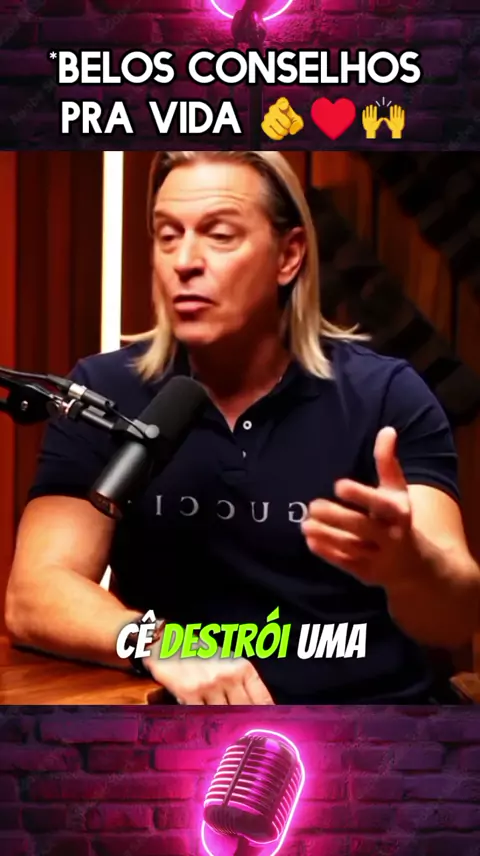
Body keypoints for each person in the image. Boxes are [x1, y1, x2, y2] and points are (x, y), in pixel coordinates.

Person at [5, 150, 480, 705]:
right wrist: (160, 642)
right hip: (189, 731)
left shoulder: (386, 395)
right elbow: (35, 593)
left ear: (289, 255)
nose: (185, 261)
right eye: (167, 235)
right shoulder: (103, 392)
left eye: (220, 235)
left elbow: (454, 616)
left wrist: (412, 567)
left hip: (368, 727)